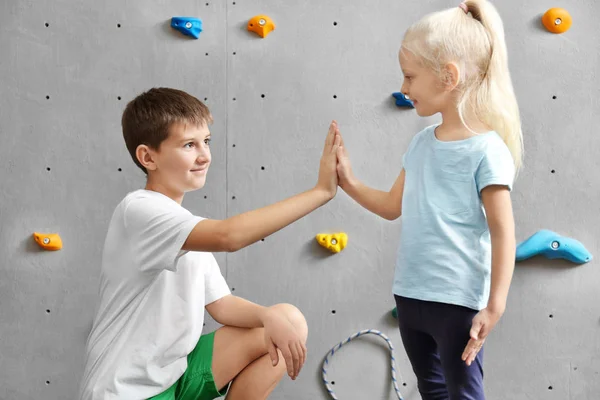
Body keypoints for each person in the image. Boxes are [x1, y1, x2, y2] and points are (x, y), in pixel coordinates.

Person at [78, 87, 342, 400]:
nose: (204, 155)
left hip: (176, 378)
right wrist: (321, 192)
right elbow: (229, 237)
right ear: (148, 157)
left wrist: (269, 317)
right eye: (189, 144)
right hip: (126, 392)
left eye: (206, 141)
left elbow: (222, 306)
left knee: (288, 320)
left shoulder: (185, 226)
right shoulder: (138, 210)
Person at [335, 1, 523, 398]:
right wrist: (348, 181)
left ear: (448, 76)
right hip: (409, 294)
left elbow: (503, 234)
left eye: (409, 77)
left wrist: (495, 306)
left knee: (463, 393)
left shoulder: (487, 151)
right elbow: (391, 206)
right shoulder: (421, 143)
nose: (403, 88)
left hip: (458, 302)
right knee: (431, 389)